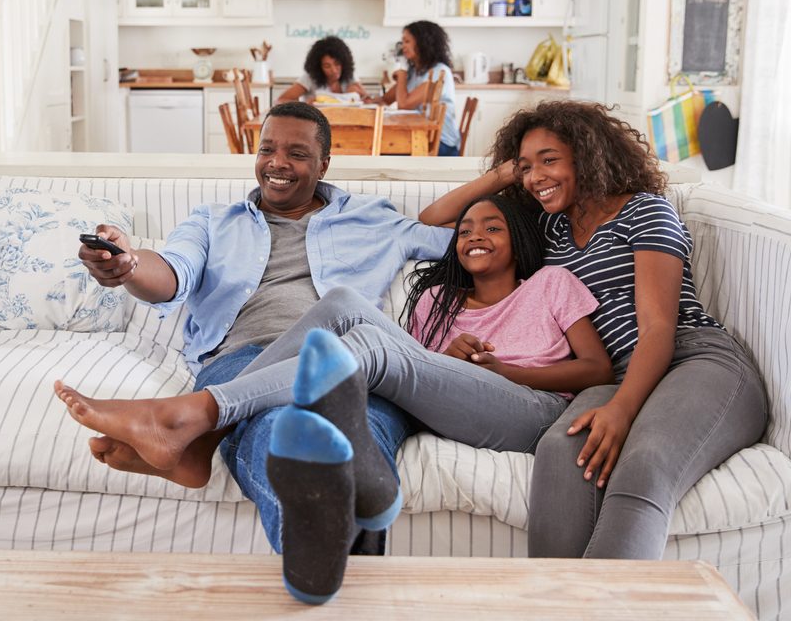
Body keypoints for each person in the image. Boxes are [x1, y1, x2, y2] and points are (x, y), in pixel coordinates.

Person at [56, 193, 614, 600]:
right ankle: (202, 435)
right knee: (343, 304)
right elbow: (422, 381)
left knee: (366, 345)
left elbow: (596, 368)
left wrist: (503, 368)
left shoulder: (550, 285)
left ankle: (198, 419)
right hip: (463, 406)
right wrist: (451, 360)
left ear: (519, 240)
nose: (474, 235)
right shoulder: (435, 301)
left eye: (492, 227)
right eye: (465, 228)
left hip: (531, 409)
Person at [66, 100, 452, 570]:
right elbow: (172, 271)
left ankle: (335, 576)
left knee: (360, 444)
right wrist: (128, 265)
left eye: (297, 153)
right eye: (267, 149)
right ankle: (329, 569)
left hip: (352, 367)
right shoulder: (213, 220)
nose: (277, 163)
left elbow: (472, 244)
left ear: (324, 164)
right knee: (280, 434)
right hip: (245, 362)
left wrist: (505, 178)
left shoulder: (374, 218)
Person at [419, 100, 768, 560]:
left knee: (644, 464)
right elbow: (436, 218)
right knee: (561, 450)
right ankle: (555, 593)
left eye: (549, 160)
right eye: (527, 166)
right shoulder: (551, 227)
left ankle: (602, 597)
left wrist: (621, 409)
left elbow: (658, 327)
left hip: (693, 359)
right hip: (612, 374)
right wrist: (509, 172)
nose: (536, 177)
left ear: (587, 155)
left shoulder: (646, 211)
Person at [378, 20, 459, 155]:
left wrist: (402, 76)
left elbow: (404, 105)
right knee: (381, 147)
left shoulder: (438, 72)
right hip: (421, 136)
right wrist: (365, 99)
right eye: (402, 42)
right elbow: (386, 99)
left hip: (440, 143)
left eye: (407, 41)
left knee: (382, 150)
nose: (403, 46)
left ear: (423, 43)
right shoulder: (415, 71)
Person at [277, 36, 372, 104]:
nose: (334, 70)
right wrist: (305, 105)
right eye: (327, 66)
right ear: (318, 67)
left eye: (337, 64)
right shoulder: (309, 78)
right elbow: (281, 100)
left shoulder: (350, 76)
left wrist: (360, 95)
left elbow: (369, 100)